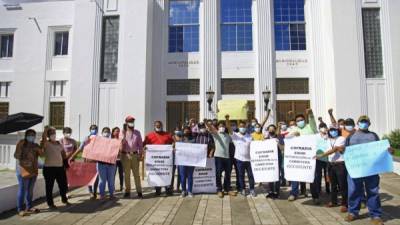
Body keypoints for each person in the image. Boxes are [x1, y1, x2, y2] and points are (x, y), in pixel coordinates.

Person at [344, 115, 394, 225]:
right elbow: (345, 152)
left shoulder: (374, 135)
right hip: (355, 170)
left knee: (373, 191)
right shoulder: (351, 136)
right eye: (362, 121)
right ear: (358, 123)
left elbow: (381, 150)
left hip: (371, 170)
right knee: (353, 191)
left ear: (369, 124)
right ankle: (353, 212)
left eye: (365, 122)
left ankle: (376, 215)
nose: (363, 123)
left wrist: (389, 151)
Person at [287, 109, 318, 201]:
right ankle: (294, 193)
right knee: (295, 175)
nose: (300, 122)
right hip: (298, 157)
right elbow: (287, 139)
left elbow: (312, 121)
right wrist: (293, 135)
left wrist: (311, 114)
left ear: (305, 120)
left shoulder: (310, 127)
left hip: (310, 157)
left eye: (301, 120)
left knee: (312, 176)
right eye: (298, 121)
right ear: (295, 123)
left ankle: (315, 196)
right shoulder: (294, 129)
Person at [316, 125, 348, 212]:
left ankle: (345, 204)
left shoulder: (341, 138)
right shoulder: (328, 139)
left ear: (338, 130)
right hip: (330, 164)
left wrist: (322, 155)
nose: (333, 131)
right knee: (332, 185)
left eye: (334, 130)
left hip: (340, 164)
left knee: (342, 185)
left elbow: (335, 149)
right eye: (331, 130)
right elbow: (319, 136)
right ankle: (334, 201)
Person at [14, 129, 42, 216]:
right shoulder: (22, 143)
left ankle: (29, 207)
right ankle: (20, 209)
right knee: (22, 190)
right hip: (23, 170)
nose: (31, 136)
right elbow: (16, 156)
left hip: (33, 170)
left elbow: (42, 154)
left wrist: (42, 144)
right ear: (26, 136)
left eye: (33, 135)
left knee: (30, 191)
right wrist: (20, 147)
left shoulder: (35, 145)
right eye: (29, 135)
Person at [205, 119, 236, 198]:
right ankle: (219, 189)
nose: (222, 127)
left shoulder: (228, 135)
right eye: (220, 126)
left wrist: (227, 120)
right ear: (218, 127)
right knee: (218, 173)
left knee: (228, 173)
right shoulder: (216, 134)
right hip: (218, 157)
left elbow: (231, 131)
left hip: (227, 157)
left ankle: (227, 188)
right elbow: (211, 129)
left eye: (223, 126)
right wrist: (207, 123)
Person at [41, 127, 70, 209]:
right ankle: (50, 203)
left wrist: (66, 165)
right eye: (51, 133)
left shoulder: (58, 144)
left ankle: (64, 199)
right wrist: (45, 130)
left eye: (54, 133)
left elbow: (63, 155)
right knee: (49, 186)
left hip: (60, 168)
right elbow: (43, 140)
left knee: (63, 185)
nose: (53, 134)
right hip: (49, 169)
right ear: (48, 135)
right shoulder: (46, 143)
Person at [144, 120, 174, 196]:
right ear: (154, 126)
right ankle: (158, 190)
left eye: (159, 125)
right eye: (157, 125)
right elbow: (144, 145)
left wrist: (173, 146)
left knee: (166, 173)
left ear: (162, 126)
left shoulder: (167, 134)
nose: (158, 127)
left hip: (166, 160)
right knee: (157, 174)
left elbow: (173, 142)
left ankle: (168, 190)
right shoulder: (149, 135)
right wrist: (145, 149)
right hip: (155, 160)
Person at [228, 118, 256, 197]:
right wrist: (227, 120)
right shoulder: (236, 136)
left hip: (249, 160)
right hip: (239, 159)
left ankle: (252, 189)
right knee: (241, 175)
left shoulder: (249, 136)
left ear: (246, 127)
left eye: (243, 126)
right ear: (238, 127)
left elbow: (254, 147)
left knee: (251, 175)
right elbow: (229, 129)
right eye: (240, 126)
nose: (242, 128)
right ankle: (242, 189)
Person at [70, 124, 99, 199]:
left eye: (95, 128)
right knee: (89, 177)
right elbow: (80, 148)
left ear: (97, 130)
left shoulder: (99, 139)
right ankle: (90, 192)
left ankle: (95, 191)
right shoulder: (86, 138)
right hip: (88, 161)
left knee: (96, 177)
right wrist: (73, 156)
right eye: (92, 128)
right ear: (90, 130)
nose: (94, 130)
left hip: (96, 161)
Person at [120, 116, 143, 198]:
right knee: (126, 175)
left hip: (135, 155)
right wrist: (123, 134)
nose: (131, 123)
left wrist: (141, 154)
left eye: (132, 121)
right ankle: (127, 191)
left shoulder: (137, 132)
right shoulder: (122, 132)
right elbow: (121, 144)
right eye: (130, 121)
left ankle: (139, 191)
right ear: (126, 122)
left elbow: (140, 144)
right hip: (125, 155)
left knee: (136, 174)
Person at [96, 127, 117, 200]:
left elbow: (116, 152)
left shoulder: (113, 142)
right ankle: (102, 195)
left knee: (111, 180)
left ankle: (112, 194)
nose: (106, 133)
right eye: (105, 131)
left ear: (110, 133)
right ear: (101, 133)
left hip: (111, 164)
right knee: (102, 180)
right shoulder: (98, 142)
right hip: (101, 164)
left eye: (108, 132)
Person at [178, 126, 196, 197]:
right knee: (182, 176)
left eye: (188, 130)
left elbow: (197, 149)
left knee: (190, 176)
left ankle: (190, 191)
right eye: (185, 130)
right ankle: (183, 191)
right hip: (182, 161)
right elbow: (177, 148)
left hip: (191, 161)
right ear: (183, 131)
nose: (186, 131)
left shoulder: (194, 139)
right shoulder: (180, 140)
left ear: (190, 131)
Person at [265, 125, 281, 199]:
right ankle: (270, 191)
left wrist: (278, 144)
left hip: (277, 158)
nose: (271, 131)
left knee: (277, 175)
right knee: (270, 175)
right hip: (269, 159)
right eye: (270, 129)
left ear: (275, 130)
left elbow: (283, 147)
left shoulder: (278, 138)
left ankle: (277, 191)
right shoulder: (266, 138)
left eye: (272, 129)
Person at [111, 127, 124, 192]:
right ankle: (112, 187)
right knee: (113, 174)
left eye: (118, 131)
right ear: (113, 132)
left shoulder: (120, 140)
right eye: (116, 131)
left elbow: (121, 149)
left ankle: (121, 186)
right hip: (113, 159)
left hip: (120, 159)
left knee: (121, 173)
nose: (117, 132)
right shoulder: (110, 140)